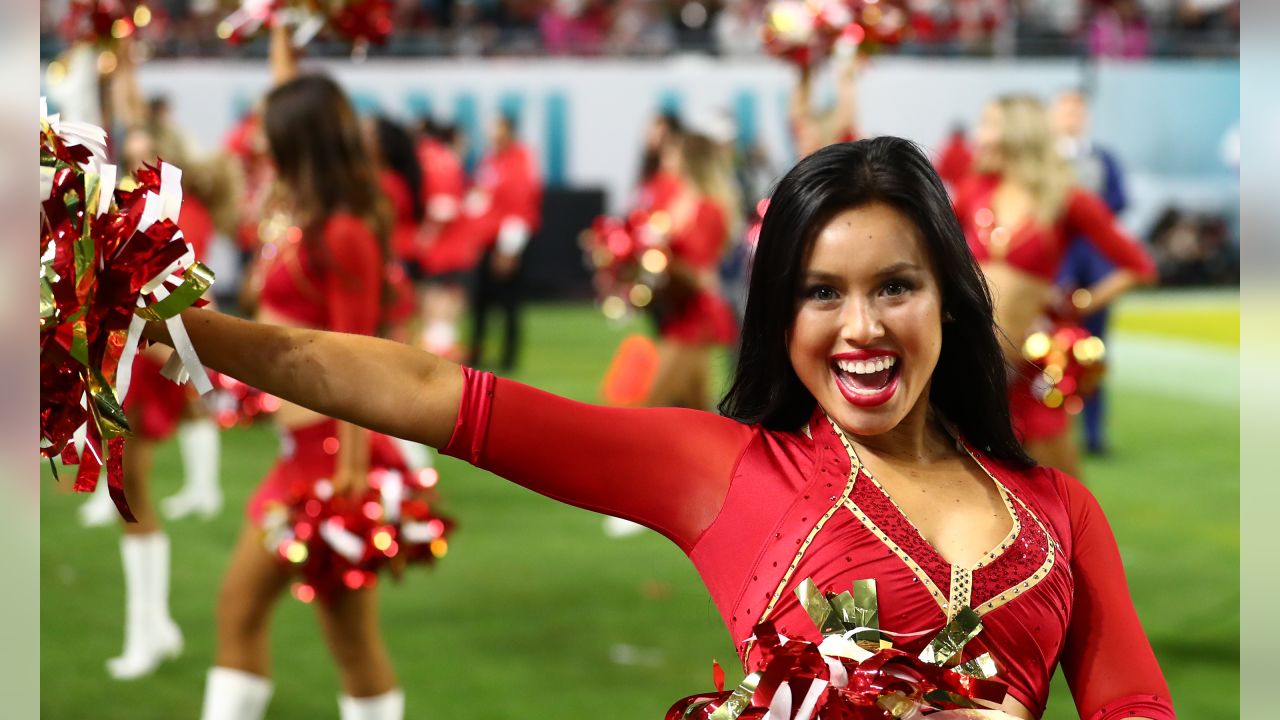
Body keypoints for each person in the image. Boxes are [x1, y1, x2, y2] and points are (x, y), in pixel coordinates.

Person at [143, 138, 1175, 720]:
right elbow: (435, 394)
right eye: (819, 294)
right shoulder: (724, 472)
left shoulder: (1057, 512)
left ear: (947, 299)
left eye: (893, 287)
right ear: (779, 316)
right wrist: (198, 327)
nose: (859, 328)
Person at [195, 28, 415, 720]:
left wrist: (352, 483)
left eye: (268, 130)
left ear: (297, 140)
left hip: (332, 460)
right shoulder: (295, 210)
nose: (254, 138)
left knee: (347, 643)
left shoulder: (343, 228)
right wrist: (281, 28)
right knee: (240, 612)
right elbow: (282, 96)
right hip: (300, 456)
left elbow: (358, 357)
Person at [954, 95, 1156, 479]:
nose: (978, 135)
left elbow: (1138, 265)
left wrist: (1080, 302)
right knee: (975, 485)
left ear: (1017, 132)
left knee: (1056, 487)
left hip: (1031, 366)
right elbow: (933, 253)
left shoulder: (1065, 197)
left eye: (988, 124)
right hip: (973, 363)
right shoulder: (974, 189)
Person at [1051, 89, 1130, 456]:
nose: (1072, 117)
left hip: (1097, 268)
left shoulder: (1103, 159)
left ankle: (1094, 434)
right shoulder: (1043, 161)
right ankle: (1047, 430)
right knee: (1047, 348)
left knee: (1094, 350)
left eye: (1077, 110)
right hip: (1055, 268)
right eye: (1066, 109)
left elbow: (1120, 200)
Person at [645, 132, 740, 410]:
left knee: (654, 405)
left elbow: (699, 269)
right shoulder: (675, 198)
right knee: (692, 411)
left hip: (697, 317)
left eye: (673, 152)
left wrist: (661, 260)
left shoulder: (709, 208)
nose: (666, 158)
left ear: (689, 160)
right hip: (678, 311)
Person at [465, 111, 542, 373]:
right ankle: (476, 352)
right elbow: (482, 196)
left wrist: (509, 249)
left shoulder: (519, 160)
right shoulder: (490, 159)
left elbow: (521, 207)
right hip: (486, 242)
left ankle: (508, 358)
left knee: (509, 303)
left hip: (505, 243)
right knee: (480, 303)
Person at [413, 119, 472, 360]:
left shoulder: (431, 159)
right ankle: (440, 348)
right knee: (442, 298)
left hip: (442, 247)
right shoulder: (446, 159)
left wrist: (427, 232)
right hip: (452, 245)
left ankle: (439, 350)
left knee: (438, 297)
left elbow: (443, 205)